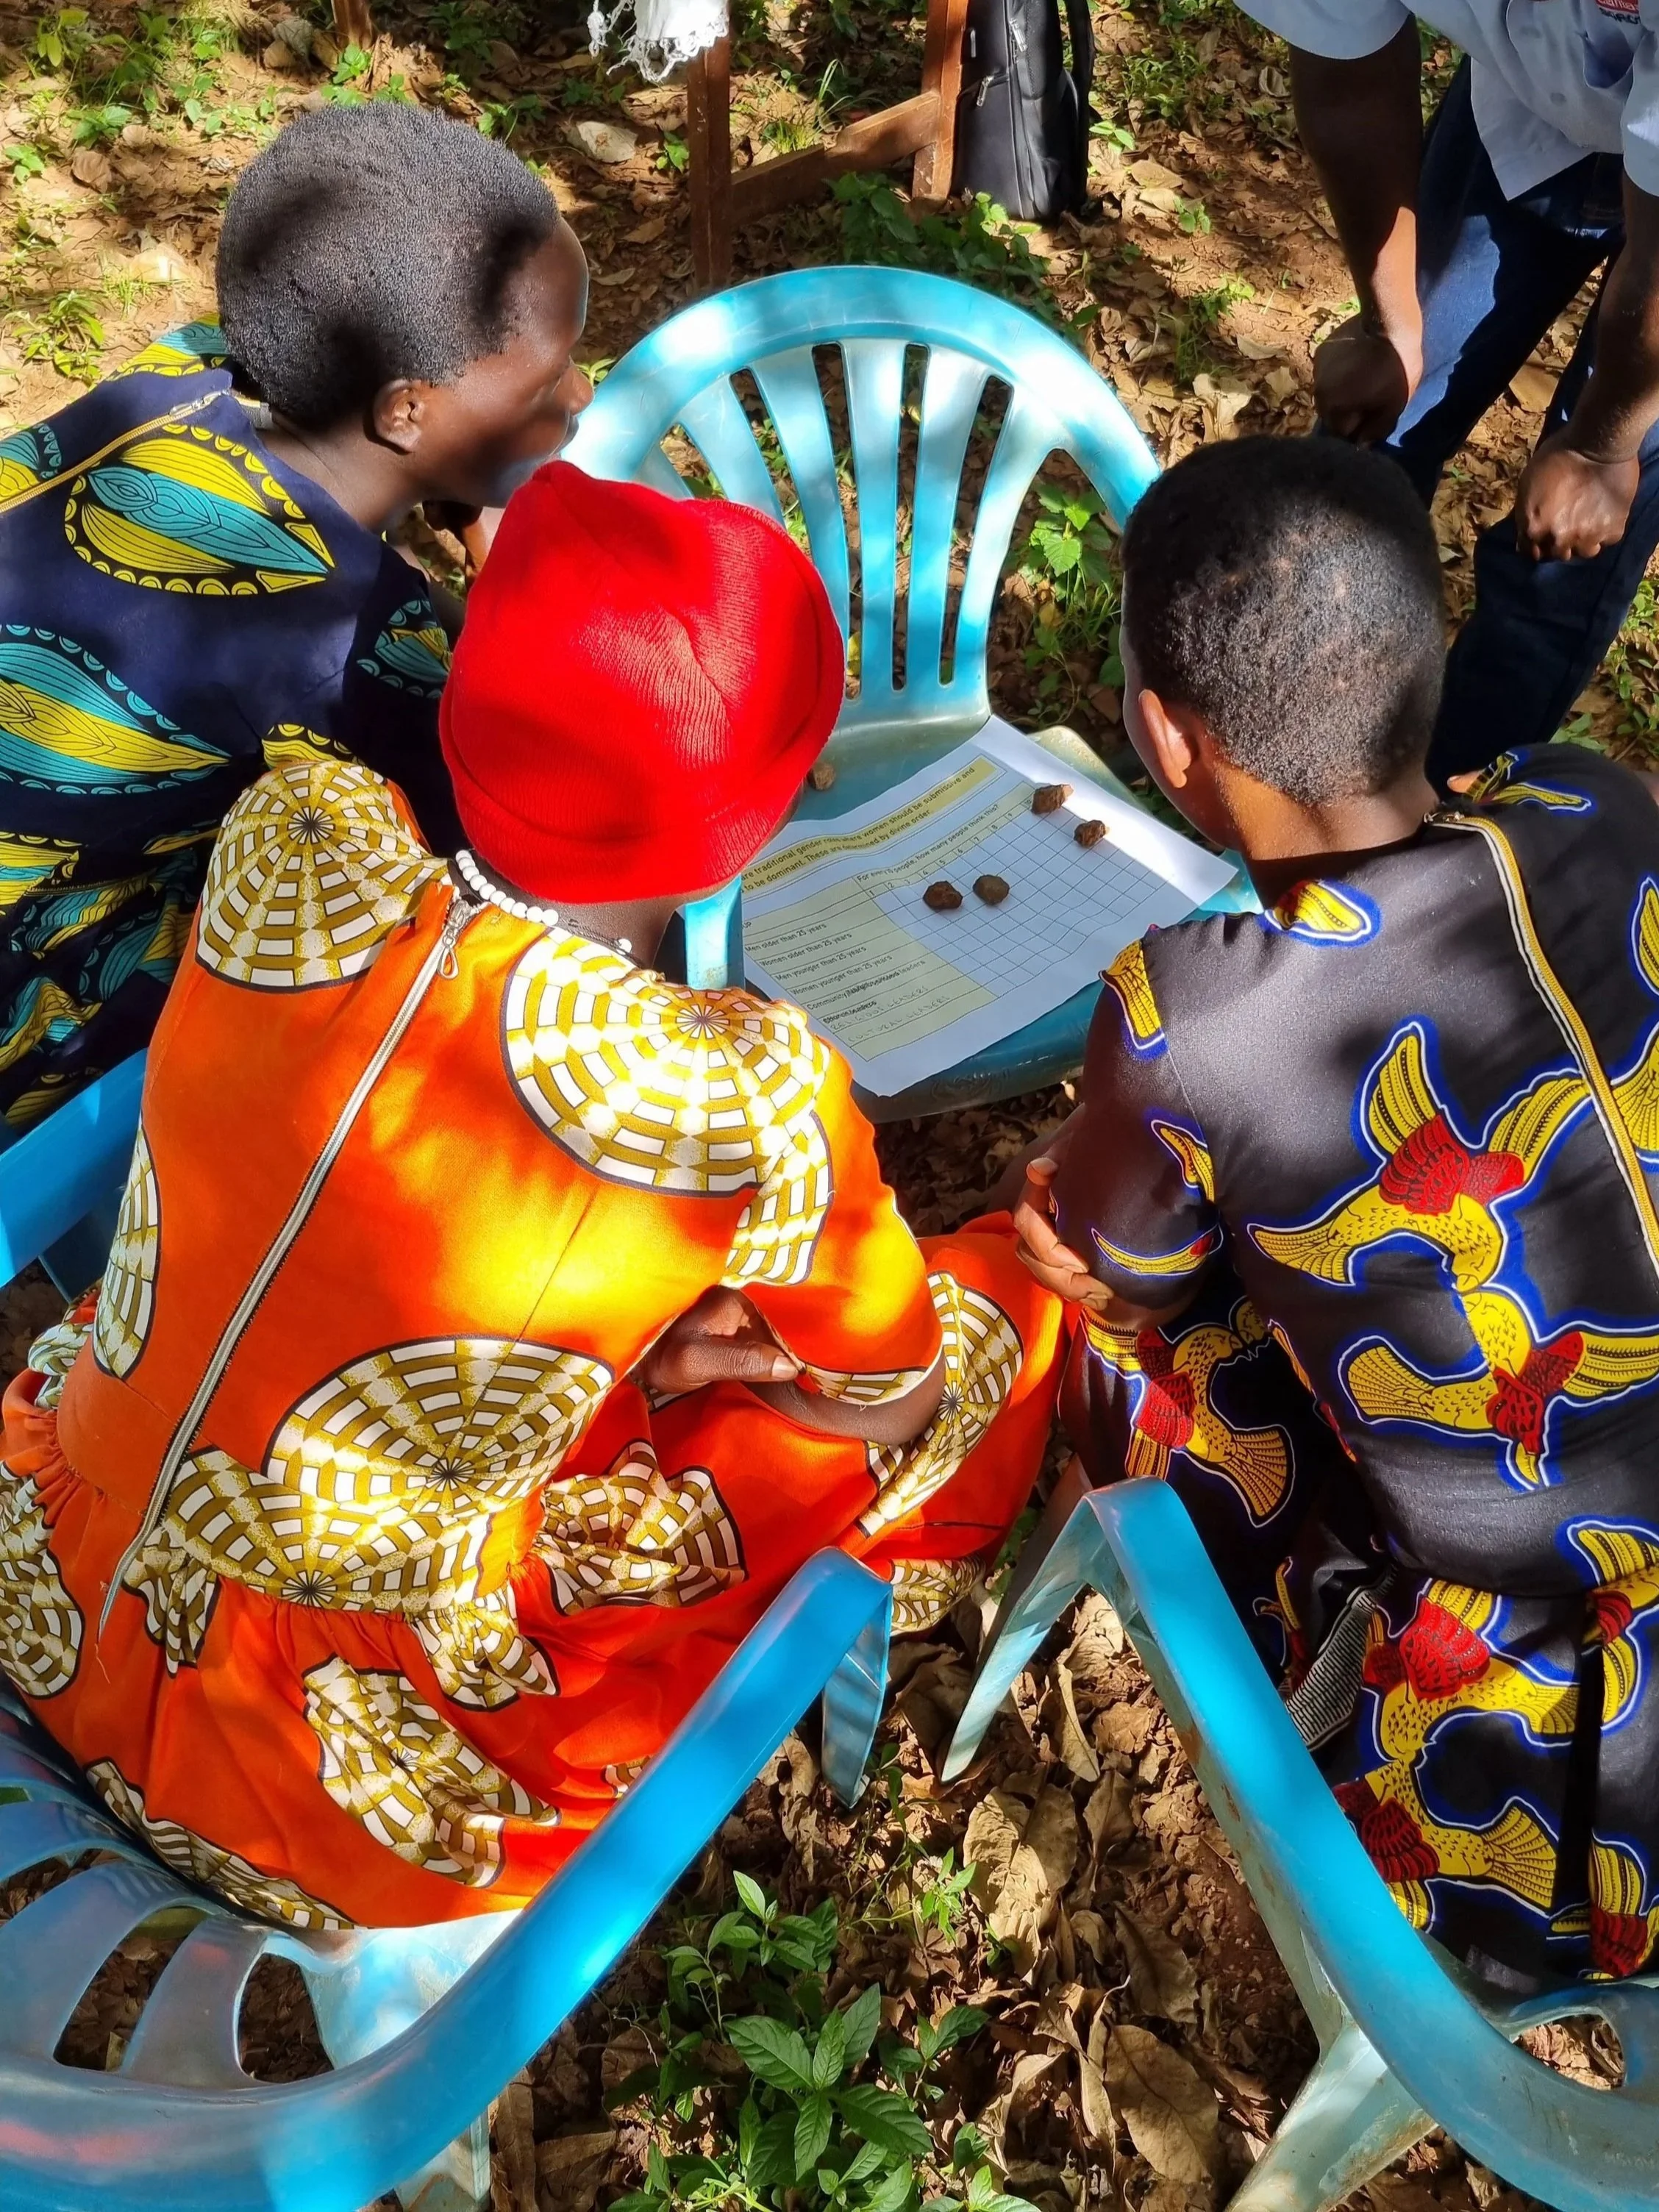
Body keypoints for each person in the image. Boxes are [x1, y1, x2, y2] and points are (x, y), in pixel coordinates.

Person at [0, 462, 1063, 1930]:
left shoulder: (297, 834)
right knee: (993, 1327)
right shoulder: (738, 1089)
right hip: (334, 1776)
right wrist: (722, 1363)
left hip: (51, 1569)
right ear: (744, 829)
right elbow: (882, 1397)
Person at [1016, 434, 1659, 1986]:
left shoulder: (1195, 1021)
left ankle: (1275, 1660)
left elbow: (1142, 1270)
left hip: (1567, 1769)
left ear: (1172, 741)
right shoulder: (1604, 799)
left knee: (1125, 1327)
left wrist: (1074, 1222)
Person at [0, 103, 591, 1136]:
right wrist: (498, 570)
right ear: (405, 412)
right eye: (548, 383)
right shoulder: (341, 649)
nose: (581, 395)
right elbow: (506, 836)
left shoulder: (180, 376)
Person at [1238, 0, 1659, 780]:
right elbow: (1346, 65)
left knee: (1561, 567)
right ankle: (1280, 747)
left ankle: (1436, 830)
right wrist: (1388, 327)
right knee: (1369, 446)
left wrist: (1603, 448)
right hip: (1524, 105)